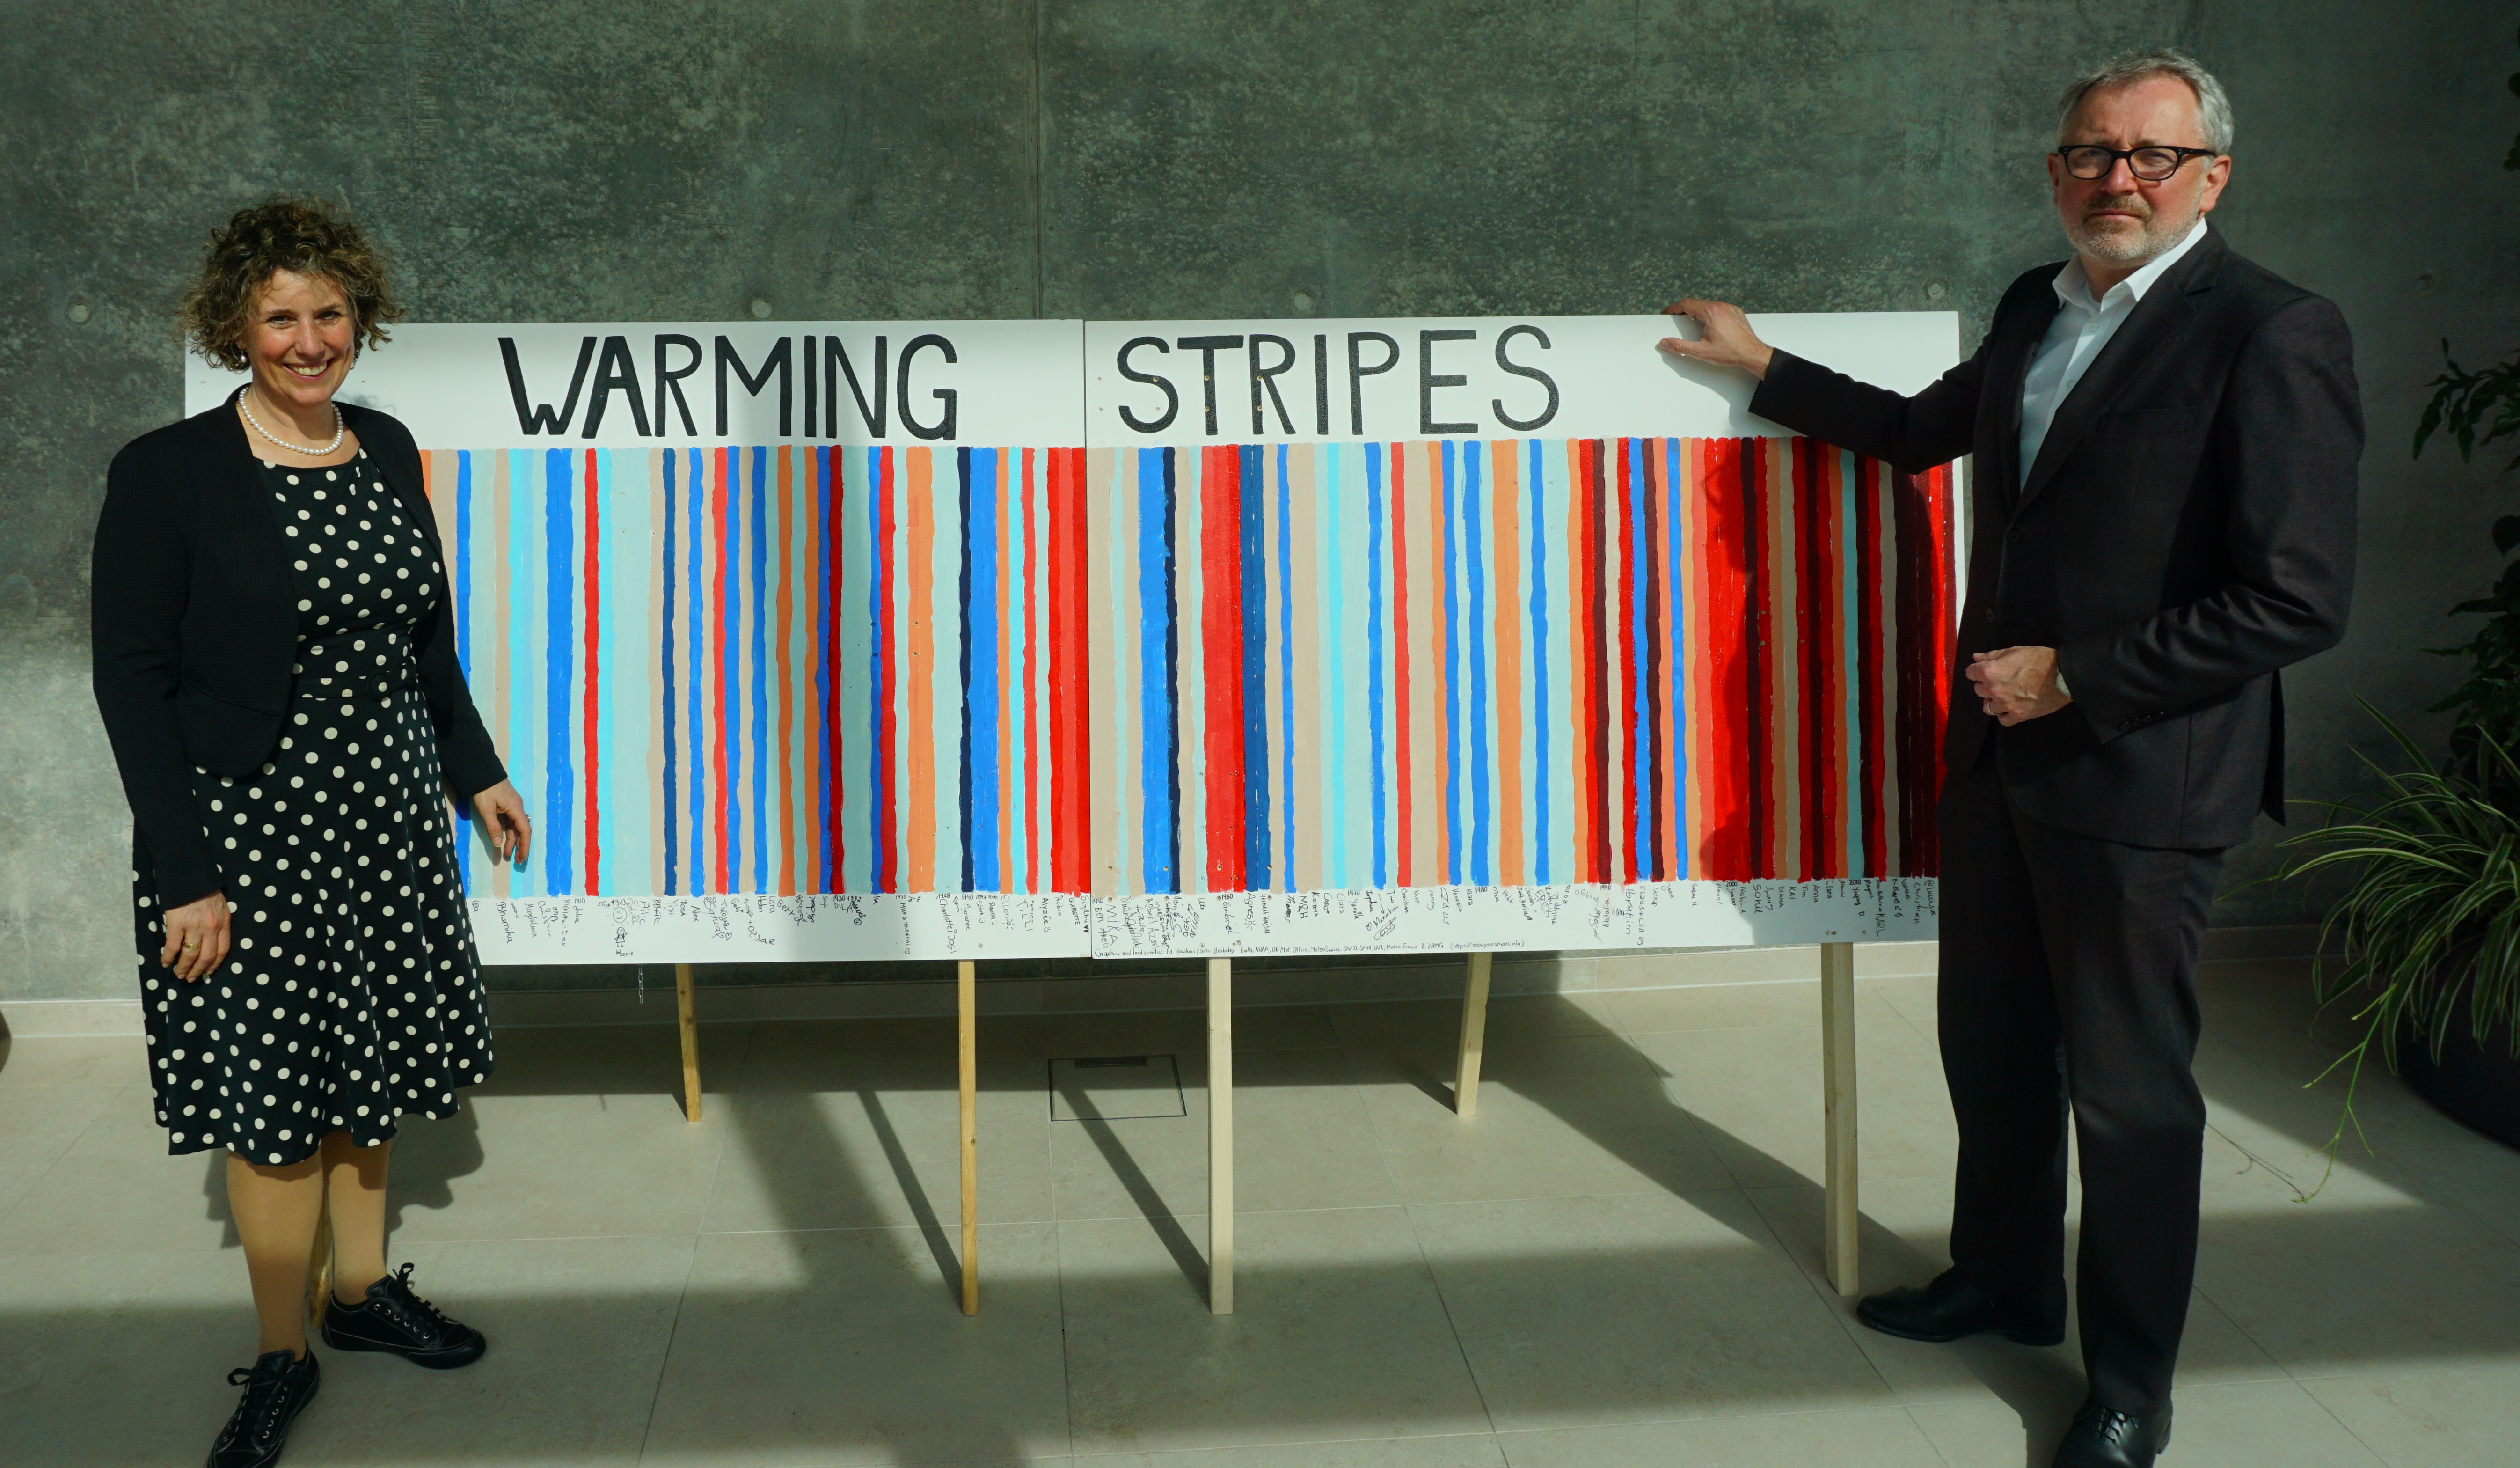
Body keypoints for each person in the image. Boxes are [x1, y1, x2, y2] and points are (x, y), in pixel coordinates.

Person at [1658, 48, 2357, 1468]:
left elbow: (2297, 600)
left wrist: (2076, 675)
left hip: (2144, 776)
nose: (2118, 178)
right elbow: (1923, 431)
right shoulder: (2036, 303)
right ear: (2054, 172)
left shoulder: (2274, 331)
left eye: (2153, 155)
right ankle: (2005, 1279)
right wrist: (1760, 367)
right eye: (2091, 152)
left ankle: (2130, 1389)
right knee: (1989, 1048)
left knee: (2130, 1098)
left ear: (2211, 177)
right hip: (1996, 759)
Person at [91, 197, 533, 1468]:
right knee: (277, 1095)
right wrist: (186, 875)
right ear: (235, 326)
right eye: (280, 317)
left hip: (386, 814)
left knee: (370, 1058)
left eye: (328, 313)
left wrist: (476, 771)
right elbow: (132, 681)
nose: (307, 340)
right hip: (249, 832)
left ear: (360, 318)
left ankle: (363, 1294)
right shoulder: (167, 472)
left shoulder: (383, 445)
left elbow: (424, 637)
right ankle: (283, 1354)